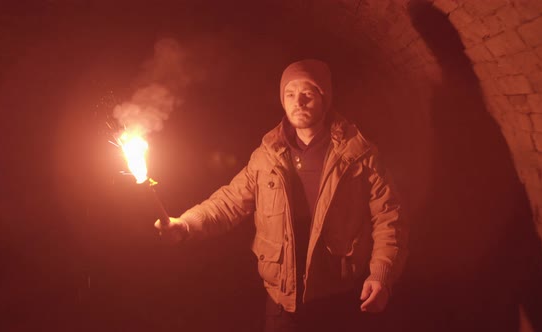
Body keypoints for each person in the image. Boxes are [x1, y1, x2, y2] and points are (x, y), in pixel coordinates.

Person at [156, 59, 408, 332]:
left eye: (308, 94)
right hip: (281, 299)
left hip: (338, 294)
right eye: (290, 94)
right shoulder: (267, 155)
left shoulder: (358, 154)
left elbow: (389, 217)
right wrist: (186, 224)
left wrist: (381, 275)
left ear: (325, 98)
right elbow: (229, 202)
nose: (298, 102)